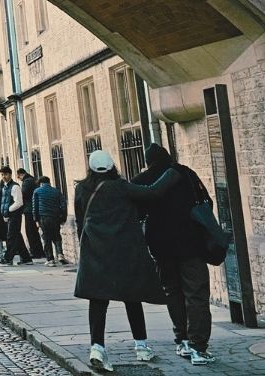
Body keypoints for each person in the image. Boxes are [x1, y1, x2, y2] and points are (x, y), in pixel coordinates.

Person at [75, 148, 182, 372]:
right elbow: (153, 193)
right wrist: (172, 172)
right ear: (112, 167)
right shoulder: (122, 187)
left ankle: (97, 348)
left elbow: (79, 221)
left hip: (96, 251)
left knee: (98, 301)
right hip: (124, 250)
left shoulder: (82, 189)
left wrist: (84, 246)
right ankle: (141, 346)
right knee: (132, 298)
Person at [134, 143, 216, 366]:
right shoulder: (185, 173)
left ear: (147, 161)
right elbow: (206, 201)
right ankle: (198, 347)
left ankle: (182, 340)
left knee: (173, 292)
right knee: (196, 294)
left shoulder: (141, 180)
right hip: (191, 242)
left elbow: (137, 213)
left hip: (161, 246)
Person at [31, 174, 70, 265]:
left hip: (43, 217)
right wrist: (63, 218)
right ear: (49, 182)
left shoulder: (37, 191)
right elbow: (64, 205)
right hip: (55, 217)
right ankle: (60, 254)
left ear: (41, 183)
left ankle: (50, 259)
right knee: (56, 235)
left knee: (46, 238)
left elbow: (35, 207)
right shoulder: (56, 191)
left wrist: (36, 219)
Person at [0, 167, 32, 264]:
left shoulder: (15, 187)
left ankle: (8, 258)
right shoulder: (5, 187)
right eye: (2, 175)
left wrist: (8, 210)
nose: (3, 177)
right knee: (17, 236)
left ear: (10, 174)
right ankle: (26, 258)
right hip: (9, 214)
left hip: (15, 214)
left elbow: (19, 202)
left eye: (5, 174)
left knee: (11, 236)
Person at [18, 168, 45, 260]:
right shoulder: (32, 180)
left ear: (21, 174)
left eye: (19, 177)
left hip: (29, 209)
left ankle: (35, 251)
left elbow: (23, 194)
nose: (19, 179)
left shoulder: (27, 182)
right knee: (34, 231)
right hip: (33, 208)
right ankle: (39, 251)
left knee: (30, 231)